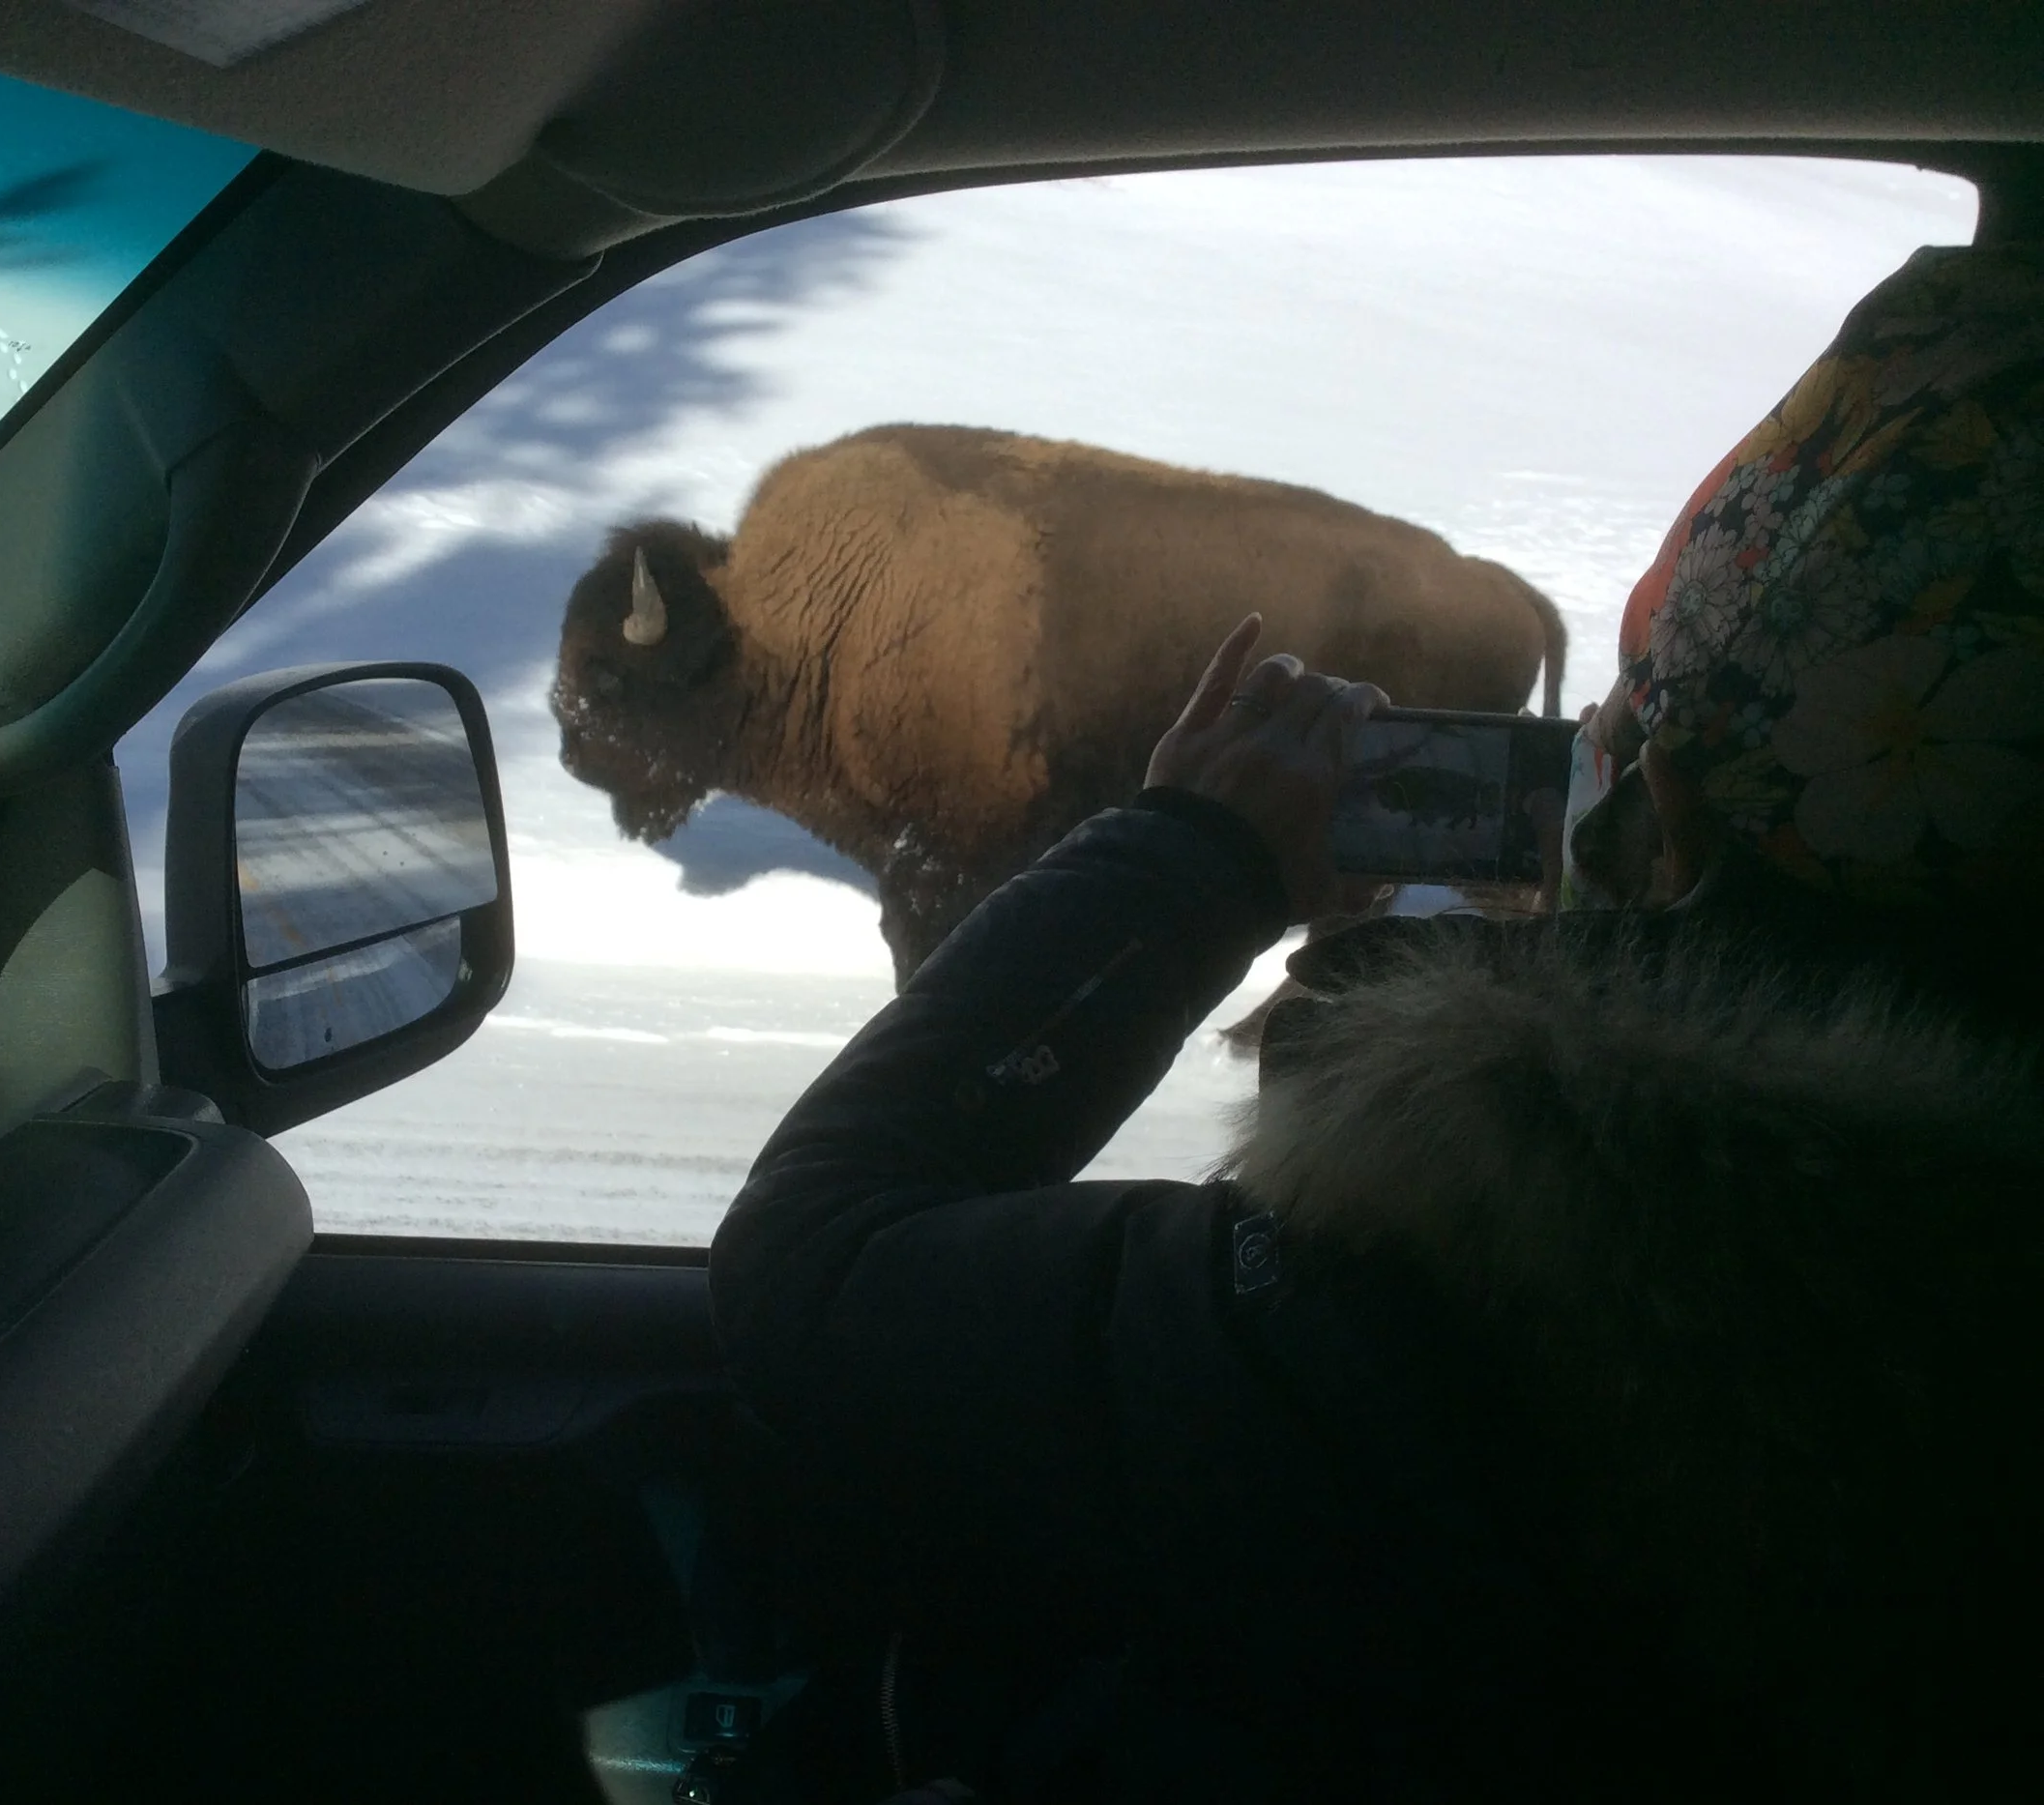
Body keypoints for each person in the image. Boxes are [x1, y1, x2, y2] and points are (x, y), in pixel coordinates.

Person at [709, 242, 2044, 1803]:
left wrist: (1190, 859)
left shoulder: (1490, 1276)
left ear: (1657, 815)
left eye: (1626, 727)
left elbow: (808, 1280)